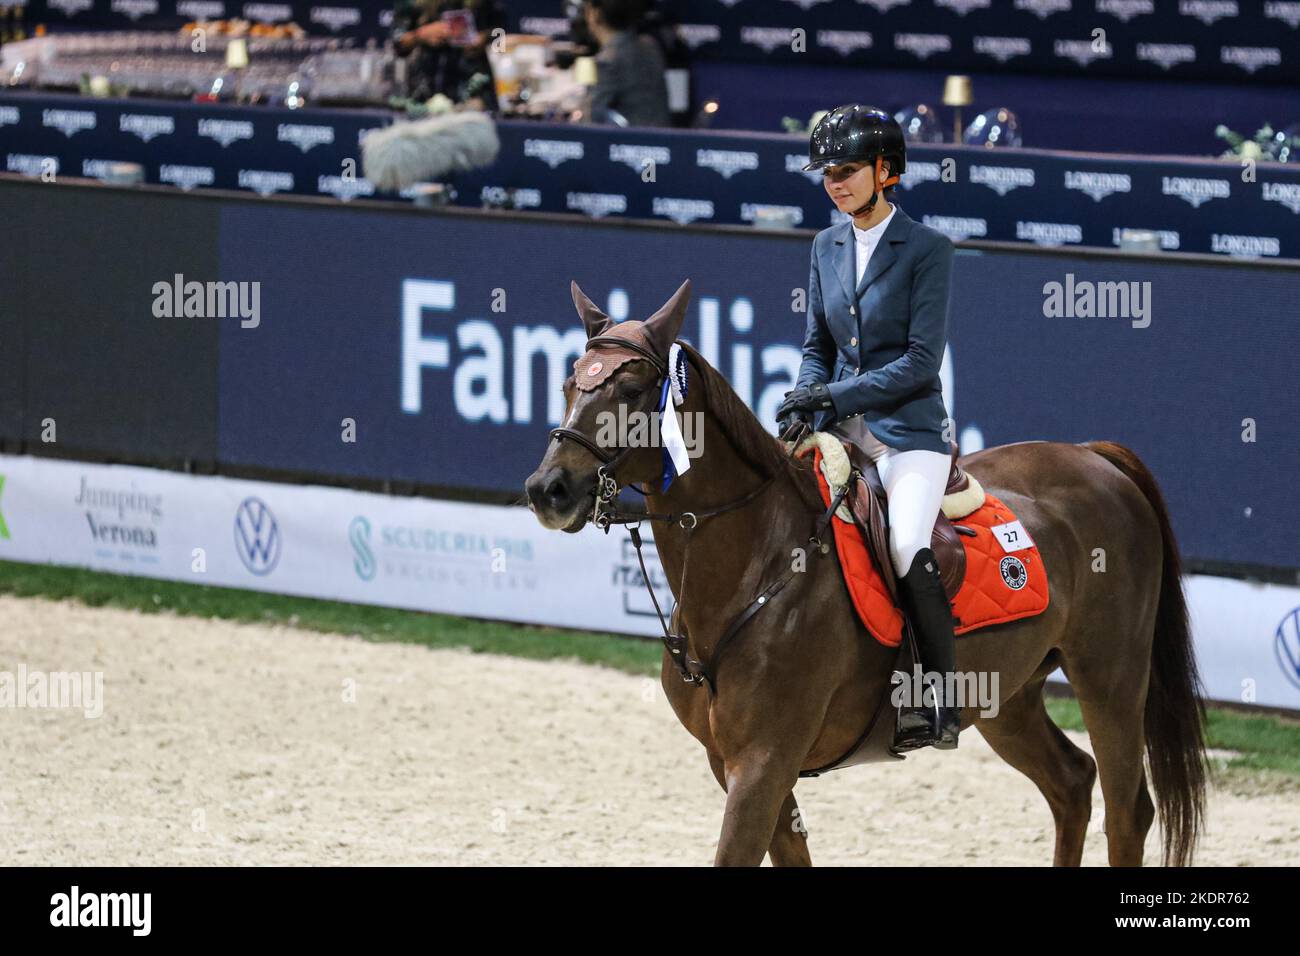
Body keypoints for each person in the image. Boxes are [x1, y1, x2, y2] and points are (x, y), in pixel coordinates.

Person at [775, 104, 960, 752]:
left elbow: (918, 363)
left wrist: (832, 392)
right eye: (827, 172)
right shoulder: (823, 246)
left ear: (885, 171)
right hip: (840, 428)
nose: (834, 182)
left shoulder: (929, 249)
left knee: (908, 542)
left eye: (847, 170)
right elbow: (816, 344)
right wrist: (805, 396)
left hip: (908, 431)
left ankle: (940, 695)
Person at [393, 0, 505, 109]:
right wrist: (421, 34)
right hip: (423, 90)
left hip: (472, 90)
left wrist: (483, 40)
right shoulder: (412, 3)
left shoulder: (487, 3)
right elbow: (398, 42)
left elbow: (501, 36)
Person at [582, 0, 671, 127]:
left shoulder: (608, 60)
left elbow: (591, 119)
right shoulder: (650, 45)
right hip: (662, 140)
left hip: (628, 142)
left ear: (595, 14)